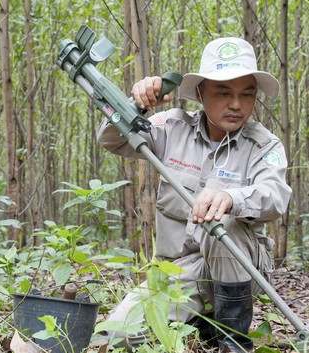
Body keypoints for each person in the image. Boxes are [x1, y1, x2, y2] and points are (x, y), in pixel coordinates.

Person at [97, 37, 291, 352]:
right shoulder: (171, 128)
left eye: (247, 94)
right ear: (200, 93)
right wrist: (135, 106)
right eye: (224, 93)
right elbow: (112, 140)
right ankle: (200, 322)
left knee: (223, 223)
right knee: (120, 335)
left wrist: (232, 199)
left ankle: (233, 342)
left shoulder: (264, 145)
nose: (236, 104)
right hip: (180, 272)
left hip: (242, 267)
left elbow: (276, 196)